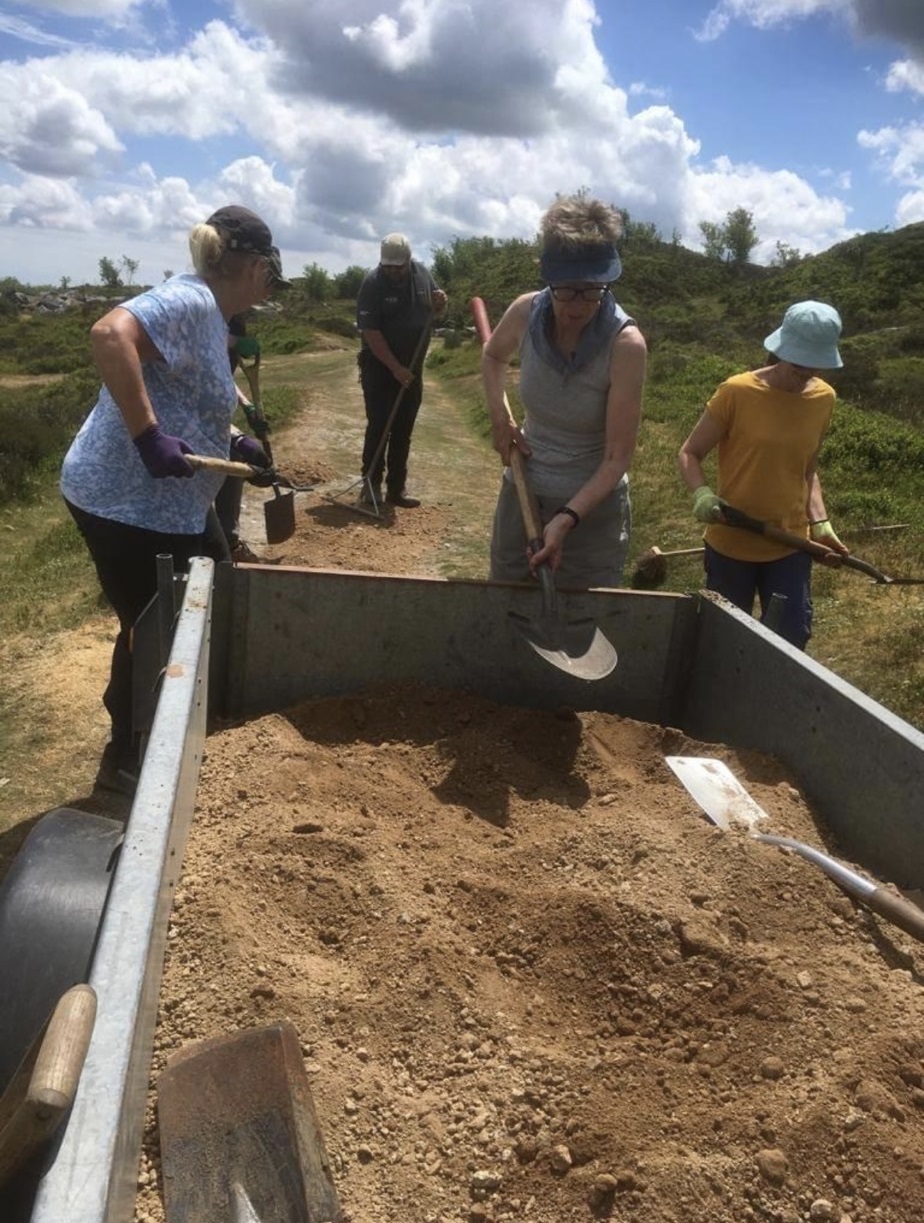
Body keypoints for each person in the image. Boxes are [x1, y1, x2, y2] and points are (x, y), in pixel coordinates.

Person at [60, 204, 289, 795]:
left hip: (172, 505)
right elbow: (110, 335)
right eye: (270, 275)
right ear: (254, 266)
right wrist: (146, 435)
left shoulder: (212, 316)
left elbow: (187, 392)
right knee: (152, 622)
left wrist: (235, 439)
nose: (269, 289)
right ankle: (127, 758)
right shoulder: (190, 300)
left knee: (208, 588)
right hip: (125, 503)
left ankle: (180, 716)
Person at [482, 194, 647, 588]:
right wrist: (500, 418)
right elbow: (492, 358)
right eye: (567, 290)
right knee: (504, 609)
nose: (580, 305)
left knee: (579, 623)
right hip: (522, 493)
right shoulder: (525, 312)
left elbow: (616, 458)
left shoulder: (625, 345)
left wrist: (567, 518)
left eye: (593, 290)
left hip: (591, 514)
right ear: (548, 276)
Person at [677, 299, 849, 650]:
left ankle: (769, 704)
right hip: (732, 541)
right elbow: (690, 453)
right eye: (799, 364)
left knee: (790, 639)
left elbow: (807, 469)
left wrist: (820, 521)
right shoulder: (737, 391)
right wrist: (702, 493)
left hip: (790, 544)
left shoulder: (824, 398)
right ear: (781, 349)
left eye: (815, 366)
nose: (806, 373)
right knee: (724, 639)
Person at [355, 232, 448, 508]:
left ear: (408, 261)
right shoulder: (372, 284)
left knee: (403, 429)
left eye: (399, 267)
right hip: (380, 368)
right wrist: (395, 368)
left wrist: (442, 303)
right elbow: (370, 332)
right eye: (389, 267)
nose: (394, 272)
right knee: (379, 426)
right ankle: (370, 487)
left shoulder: (422, 274)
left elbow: (436, 309)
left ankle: (397, 489)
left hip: (412, 368)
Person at [215, 314, 271, 562]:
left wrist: (247, 405)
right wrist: (237, 436)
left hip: (211, 421)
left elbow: (223, 378)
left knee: (233, 458)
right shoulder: (195, 349)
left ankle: (229, 541)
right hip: (170, 431)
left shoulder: (229, 342)